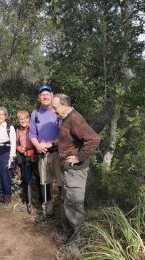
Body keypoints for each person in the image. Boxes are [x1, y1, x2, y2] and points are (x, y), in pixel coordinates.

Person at [51, 93, 100, 251]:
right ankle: (68, 236)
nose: (53, 111)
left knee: (74, 205)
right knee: (67, 202)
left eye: (55, 107)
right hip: (68, 170)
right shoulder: (65, 118)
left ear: (65, 106)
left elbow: (93, 139)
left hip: (76, 171)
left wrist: (79, 157)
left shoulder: (75, 118)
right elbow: (71, 138)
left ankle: (78, 244)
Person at [29, 85, 63, 223]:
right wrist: (37, 145)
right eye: (42, 94)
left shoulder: (58, 111)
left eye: (47, 94)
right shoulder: (35, 114)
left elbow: (64, 134)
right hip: (42, 155)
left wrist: (51, 144)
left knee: (62, 184)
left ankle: (64, 214)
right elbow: (32, 134)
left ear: (52, 96)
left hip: (57, 153)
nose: (45, 96)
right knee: (44, 184)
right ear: (39, 97)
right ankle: (46, 212)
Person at [15, 110, 40, 213]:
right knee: (26, 180)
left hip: (35, 156)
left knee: (39, 180)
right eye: (20, 118)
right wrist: (18, 148)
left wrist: (34, 152)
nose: (23, 120)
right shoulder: (18, 131)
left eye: (25, 118)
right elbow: (15, 143)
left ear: (29, 118)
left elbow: (39, 141)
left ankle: (41, 203)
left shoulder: (34, 128)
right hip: (23, 157)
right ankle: (27, 202)